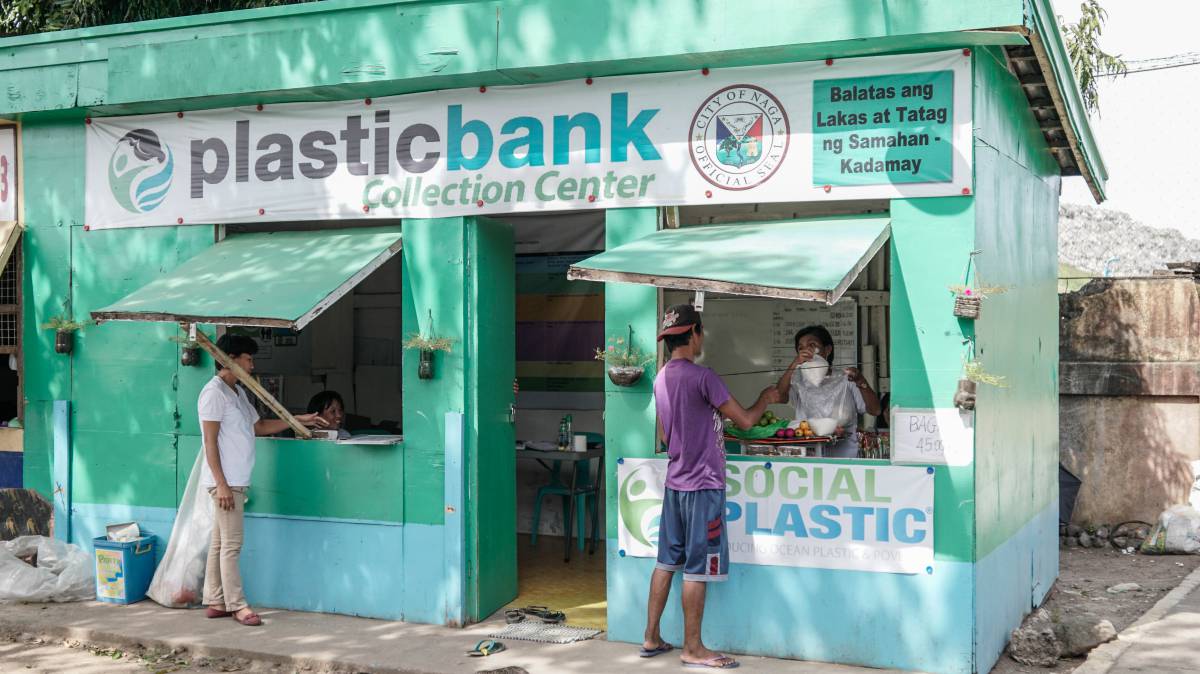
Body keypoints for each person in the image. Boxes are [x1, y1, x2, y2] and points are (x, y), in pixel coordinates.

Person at [641, 304, 780, 670]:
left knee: (665, 562)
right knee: (696, 569)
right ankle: (693, 648)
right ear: (695, 333)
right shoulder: (704, 377)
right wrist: (766, 398)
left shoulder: (661, 378)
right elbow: (746, 421)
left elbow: (664, 435)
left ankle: (651, 637)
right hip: (703, 486)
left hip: (675, 484)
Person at [200, 333, 328, 627]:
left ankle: (216, 599)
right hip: (226, 481)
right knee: (232, 544)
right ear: (230, 360)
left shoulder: (237, 393)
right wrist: (221, 484)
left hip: (236, 479)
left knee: (220, 542)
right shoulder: (213, 393)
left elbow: (258, 427)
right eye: (248, 359)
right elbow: (209, 442)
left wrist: (299, 420)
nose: (252, 365)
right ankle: (237, 605)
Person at [774, 325, 881, 458]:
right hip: (808, 457)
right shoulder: (798, 382)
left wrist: (861, 381)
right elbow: (778, 396)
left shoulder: (847, 379)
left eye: (812, 345)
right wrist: (794, 364)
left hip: (844, 458)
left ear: (827, 350)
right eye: (801, 348)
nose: (806, 351)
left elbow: (875, 410)